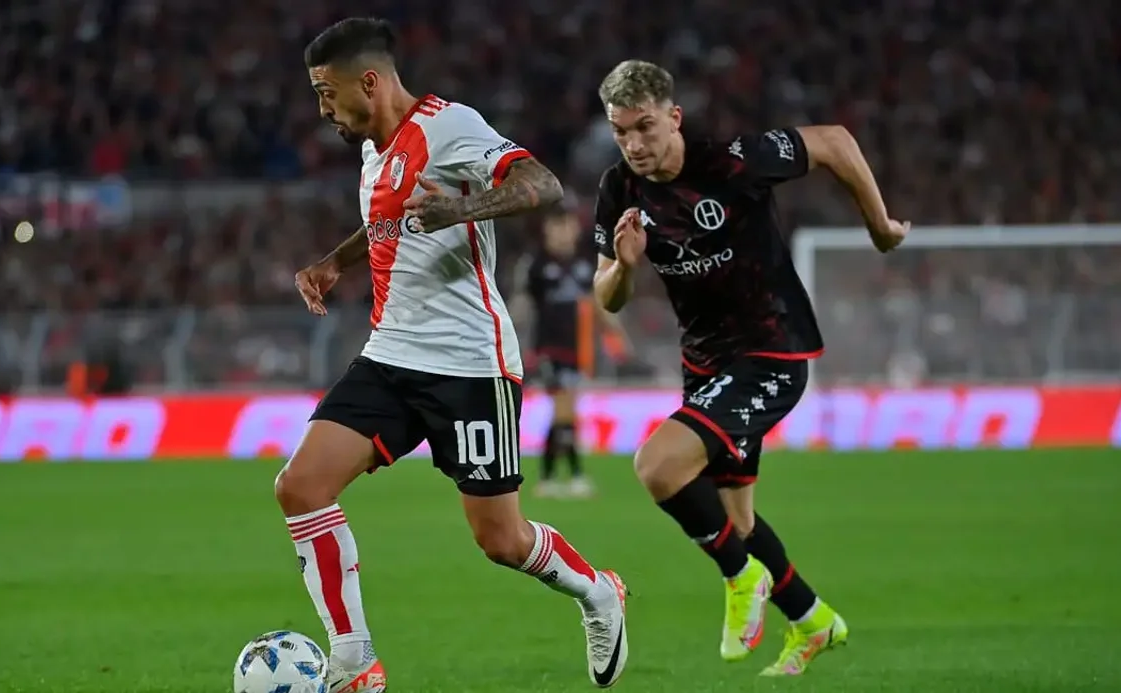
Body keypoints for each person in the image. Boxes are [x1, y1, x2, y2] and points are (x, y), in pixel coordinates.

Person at [277, 18, 630, 693]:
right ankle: (354, 661)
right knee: (300, 486)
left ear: (369, 82)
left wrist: (464, 210)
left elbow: (543, 185)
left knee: (501, 539)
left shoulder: (449, 126)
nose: (322, 109)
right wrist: (335, 262)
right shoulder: (374, 152)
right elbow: (387, 222)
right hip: (391, 353)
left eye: (326, 92)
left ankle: (597, 591)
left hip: (470, 363)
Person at [590, 59, 908, 677]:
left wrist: (879, 226)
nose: (634, 144)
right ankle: (812, 619)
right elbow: (609, 298)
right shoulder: (619, 189)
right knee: (735, 519)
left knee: (658, 466)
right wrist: (624, 266)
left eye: (645, 127)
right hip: (705, 362)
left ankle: (740, 577)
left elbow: (835, 142)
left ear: (674, 118)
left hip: (771, 350)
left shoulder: (733, 161)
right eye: (620, 131)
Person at [509, 203, 629, 499]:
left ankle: (553, 477)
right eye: (557, 226)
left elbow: (598, 304)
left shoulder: (584, 265)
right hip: (549, 349)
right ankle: (567, 476)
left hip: (578, 350)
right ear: (547, 230)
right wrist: (509, 337)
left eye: (568, 226)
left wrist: (617, 336)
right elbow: (520, 305)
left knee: (565, 414)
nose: (563, 233)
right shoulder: (536, 264)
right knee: (565, 410)